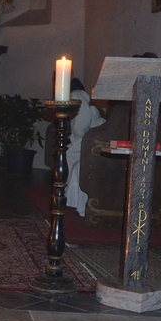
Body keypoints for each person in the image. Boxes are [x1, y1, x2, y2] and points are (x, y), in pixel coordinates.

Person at [66, 77, 105, 217]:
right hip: (91, 134)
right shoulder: (79, 94)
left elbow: (81, 121)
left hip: (92, 135)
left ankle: (71, 195)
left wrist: (76, 138)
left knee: (68, 153)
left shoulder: (76, 94)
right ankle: (71, 195)